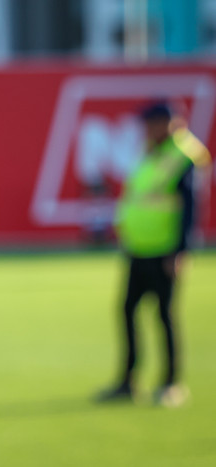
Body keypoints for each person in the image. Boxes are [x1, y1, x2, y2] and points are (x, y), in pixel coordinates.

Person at [97, 101, 210, 407]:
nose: (146, 130)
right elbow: (139, 197)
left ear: (167, 123)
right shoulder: (151, 152)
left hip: (164, 251)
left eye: (150, 124)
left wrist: (181, 251)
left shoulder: (184, 156)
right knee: (127, 311)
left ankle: (171, 384)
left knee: (165, 316)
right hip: (139, 248)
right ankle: (128, 381)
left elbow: (191, 208)